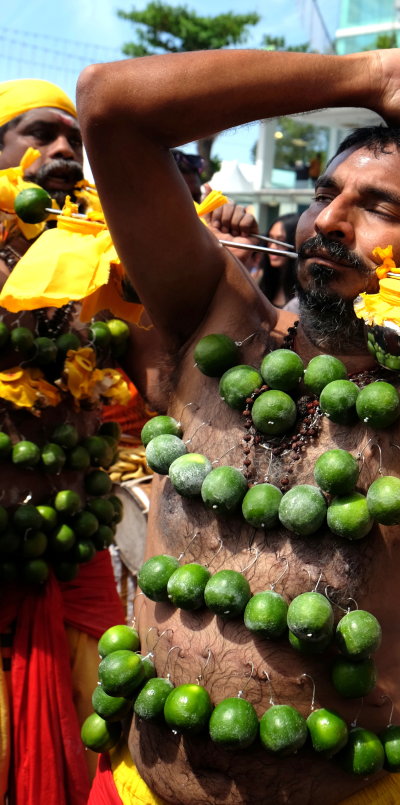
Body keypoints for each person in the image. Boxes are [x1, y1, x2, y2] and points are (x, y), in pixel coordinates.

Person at [78, 48, 400, 804]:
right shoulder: (219, 322)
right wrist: (370, 78)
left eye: (380, 208)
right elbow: (112, 106)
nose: (330, 220)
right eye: (326, 193)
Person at [0, 79, 125, 803]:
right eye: (41, 134)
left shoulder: (93, 260)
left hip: (77, 563)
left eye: (75, 140)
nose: (65, 151)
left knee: (101, 759)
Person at [258, 211, 301, 309]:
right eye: (271, 239)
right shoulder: (260, 279)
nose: (272, 247)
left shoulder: (304, 294)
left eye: (281, 241)